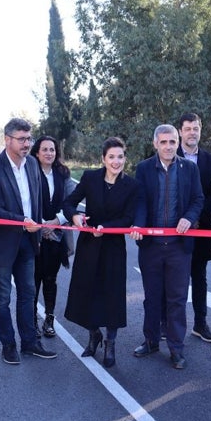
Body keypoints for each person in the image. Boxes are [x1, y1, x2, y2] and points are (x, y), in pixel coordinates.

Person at [0, 117, 57, 365]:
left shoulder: (32, 164)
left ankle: (30, 342)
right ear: (7, 140)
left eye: (28, 138)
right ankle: (8, 345)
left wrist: (38, 227)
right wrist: (22, 220)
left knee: (28, 293)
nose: (26, 144)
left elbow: (37, 200)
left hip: (29, 240)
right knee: (3, 297)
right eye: (21, 139)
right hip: (2, 243)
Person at [130, 124, 203, 370]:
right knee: (152, 298)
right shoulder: (143, 169)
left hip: (178, 247)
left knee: (177, 299)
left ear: (177, 142)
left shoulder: (190, 168)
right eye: (163, 142)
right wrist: (139, 226)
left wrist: (189, 218)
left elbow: (198, 199)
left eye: (172, 142)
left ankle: (176, 348)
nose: (168, 146)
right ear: (155, 144)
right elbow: (139, 201)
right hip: (150, 246)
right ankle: (151, 340)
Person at [63, 137, 139, 368]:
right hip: (89, 246)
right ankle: (93, 334)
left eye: (120, 157)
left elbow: (128, 217)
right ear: (103, 159)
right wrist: (75, 216)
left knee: (112, 295)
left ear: (125, 158)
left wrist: (106, 229)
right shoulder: (90, 178)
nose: (116, 161)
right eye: (111, 157)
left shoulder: (131, 185)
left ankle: (110, 342)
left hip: (113, 246)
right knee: (87, 292)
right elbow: (69, 203)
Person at [175, 112, 211, 343]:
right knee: (173, 279)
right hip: (175, 232)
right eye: (188, 128)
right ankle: (169, 325)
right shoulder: (170, 156)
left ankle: (200, 323)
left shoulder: (210, 161)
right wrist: (182, 218)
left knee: (199, 278)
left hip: (201, 230)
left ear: (200, 131)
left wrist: (197, 218)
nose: (192, 132)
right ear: (180, 131)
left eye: (196, 128)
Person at [29, 135, 74, 339]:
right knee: (32, 280)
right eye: (45, 149)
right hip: (33, 235)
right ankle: (31, 321)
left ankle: (49, 319)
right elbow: (25, 201)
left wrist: (55, 222)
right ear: (37, 152)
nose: (49, 153)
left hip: (56, 235)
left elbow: (71, 202)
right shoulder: (29, 172)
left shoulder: (63, 174)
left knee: (50, 279)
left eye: (52, 149)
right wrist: (40, 226)